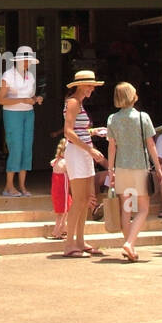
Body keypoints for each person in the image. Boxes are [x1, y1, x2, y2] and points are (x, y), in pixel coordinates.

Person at [106, 82, 162, 263]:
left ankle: (128, 245)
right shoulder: (142, 117)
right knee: (144, 208)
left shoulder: (112, 119)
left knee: (126, 209)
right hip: (139, 167)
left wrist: (110, 169)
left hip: (121, 167)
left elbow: (112, 146)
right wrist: (158, 167)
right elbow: (151, 144)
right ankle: (130, 243)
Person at [62, 70, 107, 257]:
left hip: (83, 152)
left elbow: (77, 131)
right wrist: (89, 149)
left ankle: (79, 241)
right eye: (89, 85)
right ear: (80, 85)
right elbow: (68, 132)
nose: (91, 89)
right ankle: (70, 243)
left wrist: (94, 132)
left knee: (85, 200)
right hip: (78, 153)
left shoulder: (78, 103)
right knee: (79, 199)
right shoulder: (73, 102)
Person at [0, 45, 44, 197]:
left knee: (26, 148)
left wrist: (35, 99)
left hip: (28, 113)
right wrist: (23, 99)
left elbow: (30, 95)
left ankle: (22, 186)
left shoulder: (30, 76)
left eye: (29, 61)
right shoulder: (8, 75)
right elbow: (1, 99)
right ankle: (9, 186)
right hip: (12, 114)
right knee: (16, 147)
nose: (27, 64)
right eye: (25, 60)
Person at [50, 139, 70, 239]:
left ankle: (63, 227)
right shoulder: (65, 163)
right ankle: (56, 231)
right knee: (62, 212)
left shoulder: (55, 161)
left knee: (64, 210)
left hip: (56, 190)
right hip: (63, 190)